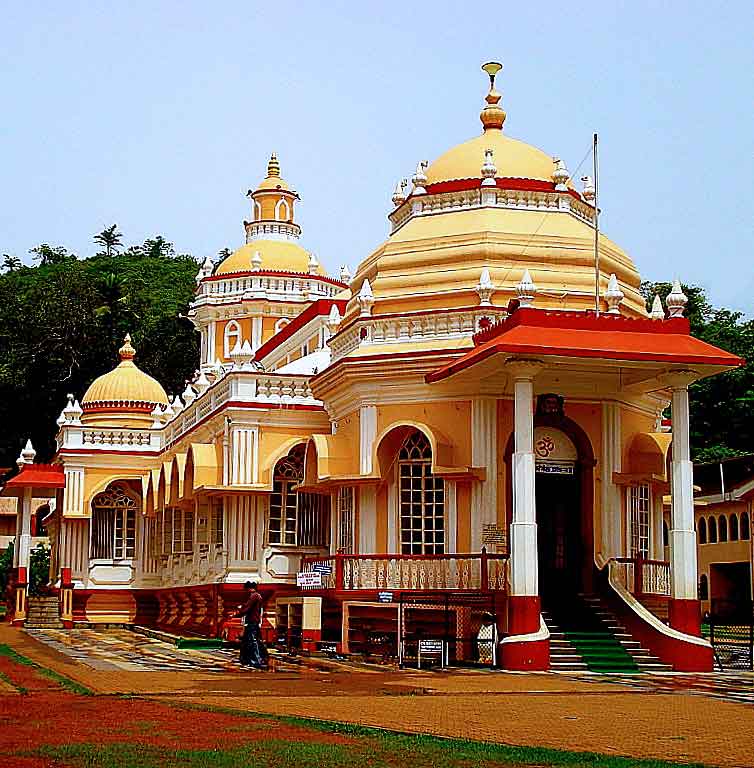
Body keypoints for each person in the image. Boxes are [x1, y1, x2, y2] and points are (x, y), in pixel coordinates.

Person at [236, 581, 268, 669]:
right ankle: (247, 659)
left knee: (253, 642)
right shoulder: (258, 596)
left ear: (249, 588)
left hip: (252, 622)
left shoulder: (254, 596)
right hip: (254, 621)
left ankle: (257, 660)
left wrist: (237, 612)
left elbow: (246, 608)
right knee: (250, 641)